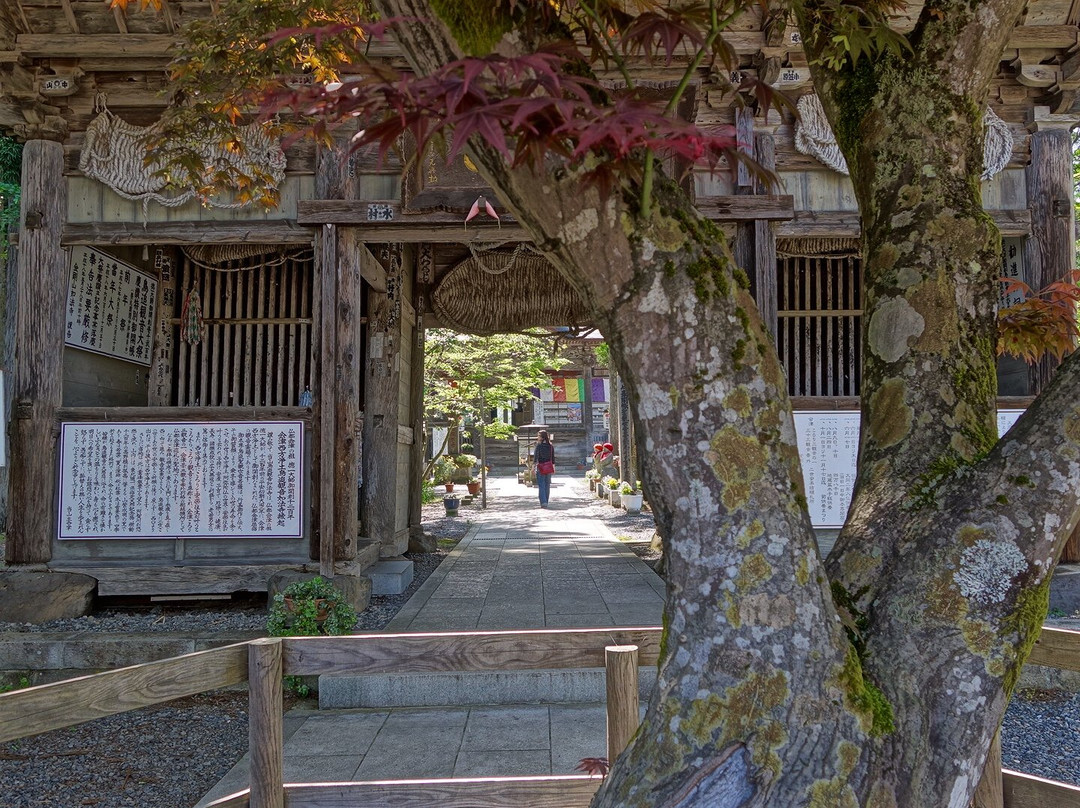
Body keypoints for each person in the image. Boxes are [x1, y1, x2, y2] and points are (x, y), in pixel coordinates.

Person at [534, 430, 555, 508]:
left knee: (541, 485)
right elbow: (552, 458)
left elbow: (535, 458)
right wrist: (553, 468)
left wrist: (533, 468)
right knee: (547, 485)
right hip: (549, 467)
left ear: (542, 437)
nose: (537, 437)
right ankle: (546, 500)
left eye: (539, 436)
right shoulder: (550, 446)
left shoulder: (539, 446)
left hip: (541, 467)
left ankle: (543, 502)